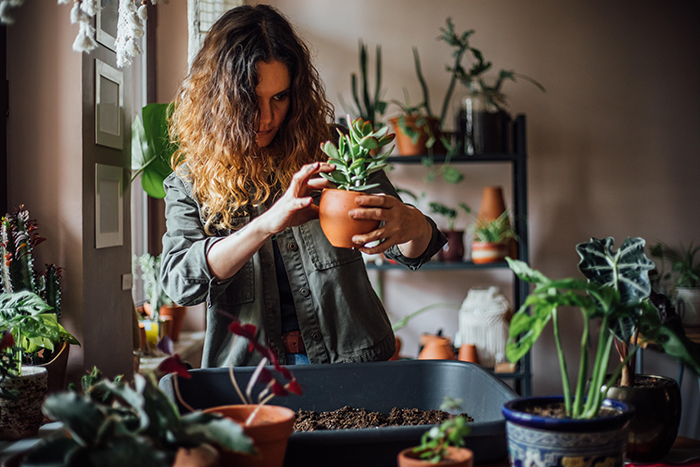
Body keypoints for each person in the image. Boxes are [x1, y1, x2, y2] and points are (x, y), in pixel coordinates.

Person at [160, 4, 446, 368]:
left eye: (279, 97)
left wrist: (413, 225)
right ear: (220, 100)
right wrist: (266, 224)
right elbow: (180, 283)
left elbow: (411, 249)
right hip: (250, 378)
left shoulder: (338, 150)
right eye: (249, 99)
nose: (266, 118)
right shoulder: (191, 180)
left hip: (353, 364)